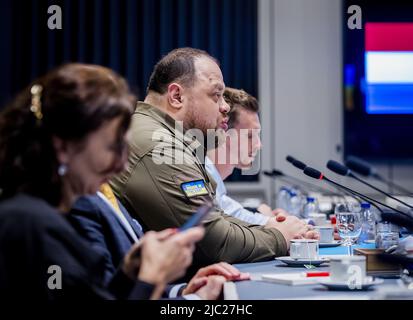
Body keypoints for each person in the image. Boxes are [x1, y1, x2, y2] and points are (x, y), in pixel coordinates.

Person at [0, 63, 208, 300]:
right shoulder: (30, 224)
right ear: (63, 146)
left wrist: (130, 274)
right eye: (112, 147)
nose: (121, 164)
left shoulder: (41, 216)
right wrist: (152, 277)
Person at [110, 48, 315, 271]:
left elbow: (217, 219)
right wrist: (279, 237)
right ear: (177, 96)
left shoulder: (168, 137)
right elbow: (213, 243)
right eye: (216, 95)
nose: (225, 106)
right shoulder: (159, 146)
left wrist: (274, 230)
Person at [69, 183, 250, 300]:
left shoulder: (102, 192)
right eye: (112, 143)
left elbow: (117, 288)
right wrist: (195, 300)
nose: (122, 163)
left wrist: (181, 291)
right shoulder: (79, 203)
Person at [205, 88, 297, 226]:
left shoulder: (214, 181)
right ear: (222, 131)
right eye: (249, 135)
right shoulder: (203, 176)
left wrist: (267, 217)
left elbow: (235, 213)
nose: (258, 145)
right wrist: (276, 224)